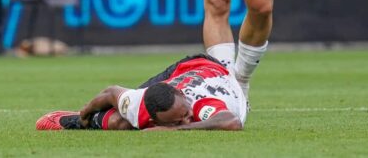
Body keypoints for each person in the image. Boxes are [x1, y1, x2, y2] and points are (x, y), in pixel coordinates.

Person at [36, 54, 245, 131]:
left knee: (126, 123)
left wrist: (175, 129)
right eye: (176, 123)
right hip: (180, 80)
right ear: (157, 120)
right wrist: (83, 114)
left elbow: (231, 122)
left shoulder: (201, 105)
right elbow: (110, 93)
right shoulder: (139, 102)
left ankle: (74, 122)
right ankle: (73, 120)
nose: (187, 121)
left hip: (199, 66)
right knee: (124, 120)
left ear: (184, 99)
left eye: (185, 116)